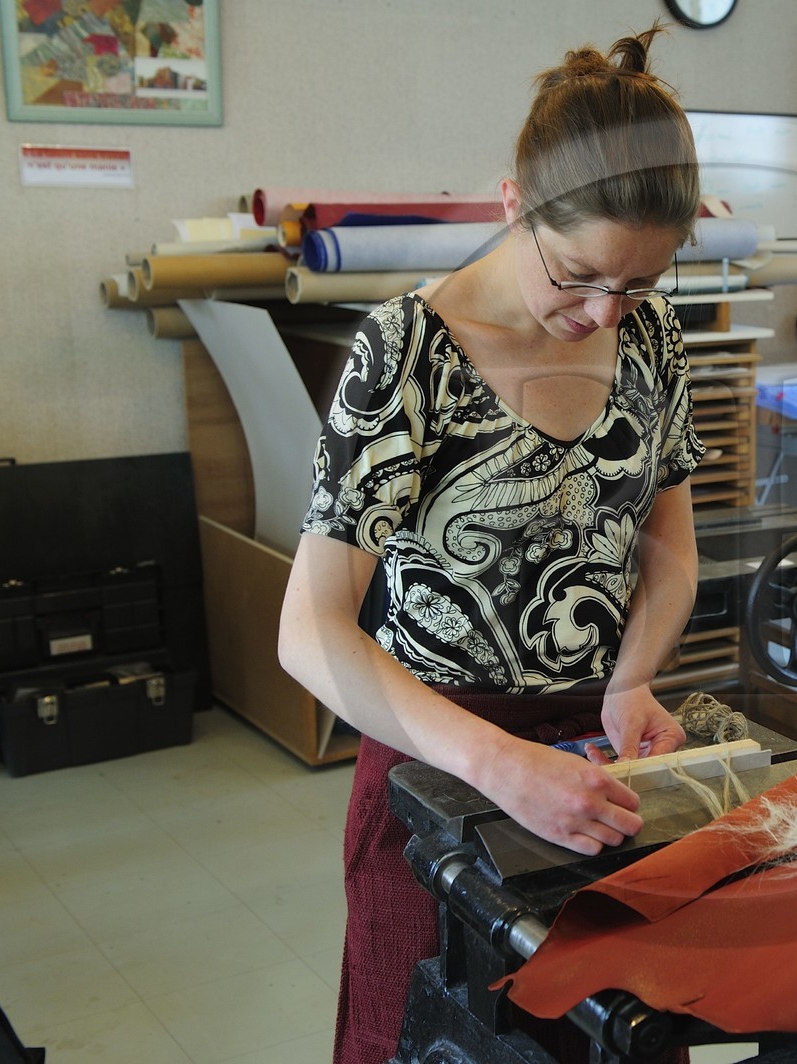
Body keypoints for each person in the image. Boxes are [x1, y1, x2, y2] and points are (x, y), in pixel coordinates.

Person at [277, 26, 703, 1063]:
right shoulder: (407, 351)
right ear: (513, 202)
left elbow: (670, 549)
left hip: (594, 769)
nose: (601, 313)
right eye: (579, 275)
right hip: (439, 770)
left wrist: (632, 679)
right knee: (436, 1033)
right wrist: (499, 765)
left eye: (638, 285)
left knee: (606, 1034)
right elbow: (311, 630)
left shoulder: (649, 337)